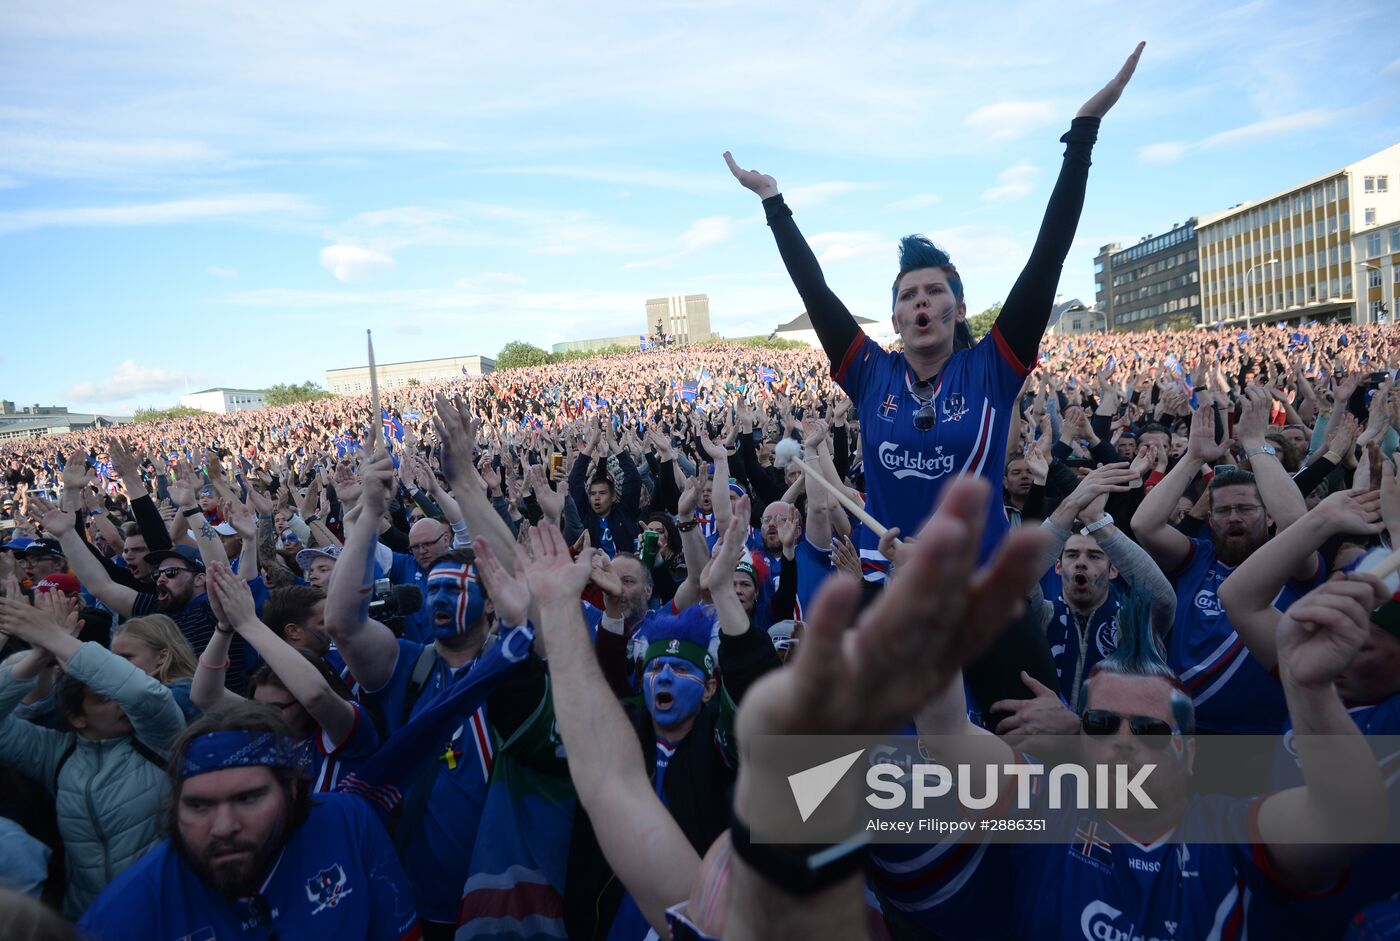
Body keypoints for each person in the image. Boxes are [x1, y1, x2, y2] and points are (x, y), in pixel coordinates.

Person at [873, 572, 1391, 941]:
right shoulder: (1049, 804)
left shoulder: (1227, 830)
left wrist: (1307, 685)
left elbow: (1347, 819)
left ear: (1187, 752)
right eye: (1101, 723)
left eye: (1148, 729)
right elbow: (946, 736)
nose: (1122, 738)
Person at [77, 701, 419, 941]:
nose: (223, 827)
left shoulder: (348, 823)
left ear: (291, 791)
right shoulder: (124, 915)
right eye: (198, 806)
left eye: (248, 798)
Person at [0, 593, 185, 918]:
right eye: (103, 699)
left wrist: (55, 638)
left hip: (163, 910)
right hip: (88, 917)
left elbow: (142, 694)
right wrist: (40, 656)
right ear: (76, 717)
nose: (119, 702)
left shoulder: (159, 739)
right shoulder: (55, 754)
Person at [192, 562, 379, 794]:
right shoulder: (269, 725)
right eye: (259, 707)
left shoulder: (343, 728)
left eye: (276, 708)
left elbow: (316, 695)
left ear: (303, 706)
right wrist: (224, 628)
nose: (262, 716)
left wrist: (248, 623)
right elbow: (205, 697)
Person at [110, 613, 201, 721]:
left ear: (162, 657)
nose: (117, 663)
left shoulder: (179, 695)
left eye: (127, 657)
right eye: (113, 657)